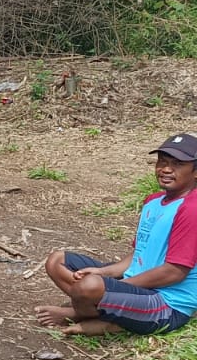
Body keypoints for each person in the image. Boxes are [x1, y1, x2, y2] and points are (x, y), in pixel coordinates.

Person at [35, 134, 197, 336]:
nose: (166, 169)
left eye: (178, 164)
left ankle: (83, 314)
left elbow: (174, 272)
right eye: (162, 162)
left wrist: (114, 287)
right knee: (57, 261)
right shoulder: (153, 201)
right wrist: (105, 273)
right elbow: (138, 254)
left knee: (89, 287)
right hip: (139, 284)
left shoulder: (192, 208)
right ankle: (108, 315)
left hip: (166, 303)